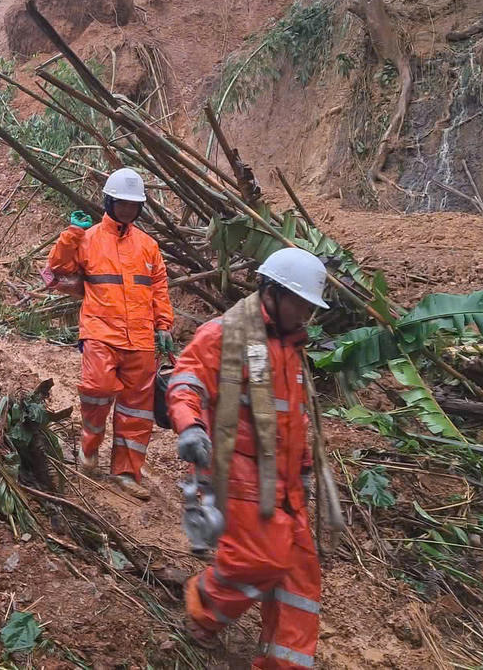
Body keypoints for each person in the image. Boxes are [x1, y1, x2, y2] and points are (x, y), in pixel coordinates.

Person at [167, 247, 328, 669]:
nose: (306, 315)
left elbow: (294, 419)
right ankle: (203, 609)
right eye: (301, 304)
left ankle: (283, 664)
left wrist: (304, 470)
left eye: (311, 308)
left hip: (286, 483)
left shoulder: (290, 350)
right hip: (239, 472)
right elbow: (186, 380)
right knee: (260, 559)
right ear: (271, 291)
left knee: (299, 581)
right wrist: (190, 426)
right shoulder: (225, 334)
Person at [46, 168, 174, 499]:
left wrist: (163, 325)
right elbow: (56, 269)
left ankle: (127, 473)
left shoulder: (148, 246)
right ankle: (90, 445)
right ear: (109, 202)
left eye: (133, 205)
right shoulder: (88, 239)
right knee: (97, 389)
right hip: (100, 330)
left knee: (137, 410)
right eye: (122, 203)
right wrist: (72, 234)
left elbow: (159, 288)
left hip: (141, 338)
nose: (128, 210)